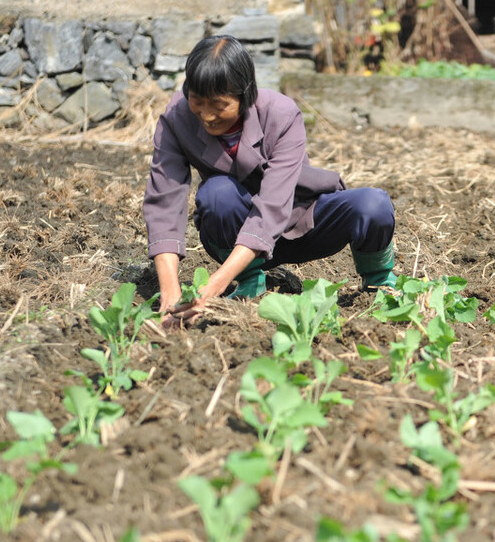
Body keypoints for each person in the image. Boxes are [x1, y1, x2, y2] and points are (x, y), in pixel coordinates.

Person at [143, 35, 397, 329]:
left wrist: (217, 282)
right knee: (216, 194)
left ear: (246, 95)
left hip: (300, 219)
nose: (207, 116)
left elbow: (274, 205)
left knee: (373, 204)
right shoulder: (178, 117)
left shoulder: (281, 113)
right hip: (232, 225)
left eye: (219, 104)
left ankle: (380, 283)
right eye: (198, 102)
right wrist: (170, 291)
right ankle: (250, 281)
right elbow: (165, 200)